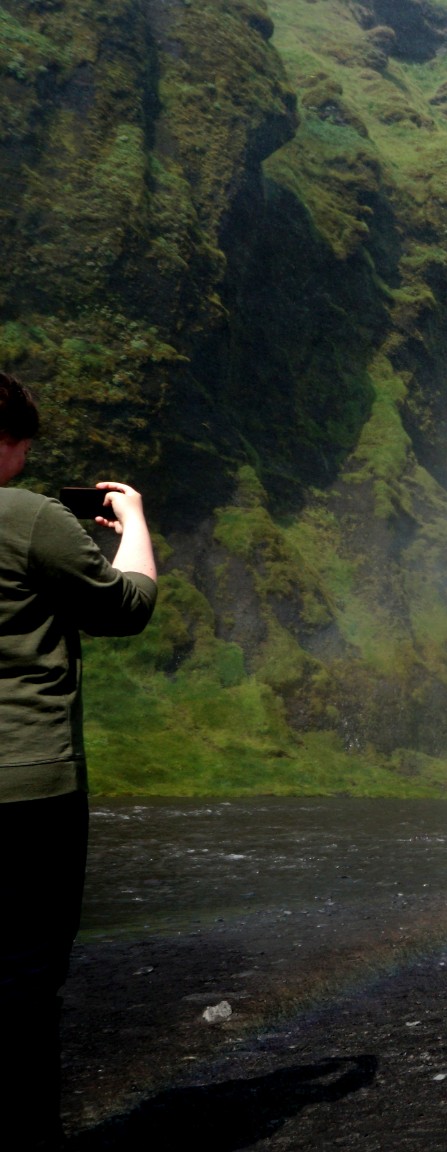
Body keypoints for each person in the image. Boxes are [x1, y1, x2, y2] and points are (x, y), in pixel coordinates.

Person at [0, 374, 158, 1148]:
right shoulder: (29, 518)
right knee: (25, 978)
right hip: (29, 785)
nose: (29, 457)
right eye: (24, 442)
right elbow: (124, 606)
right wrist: (131, 524)